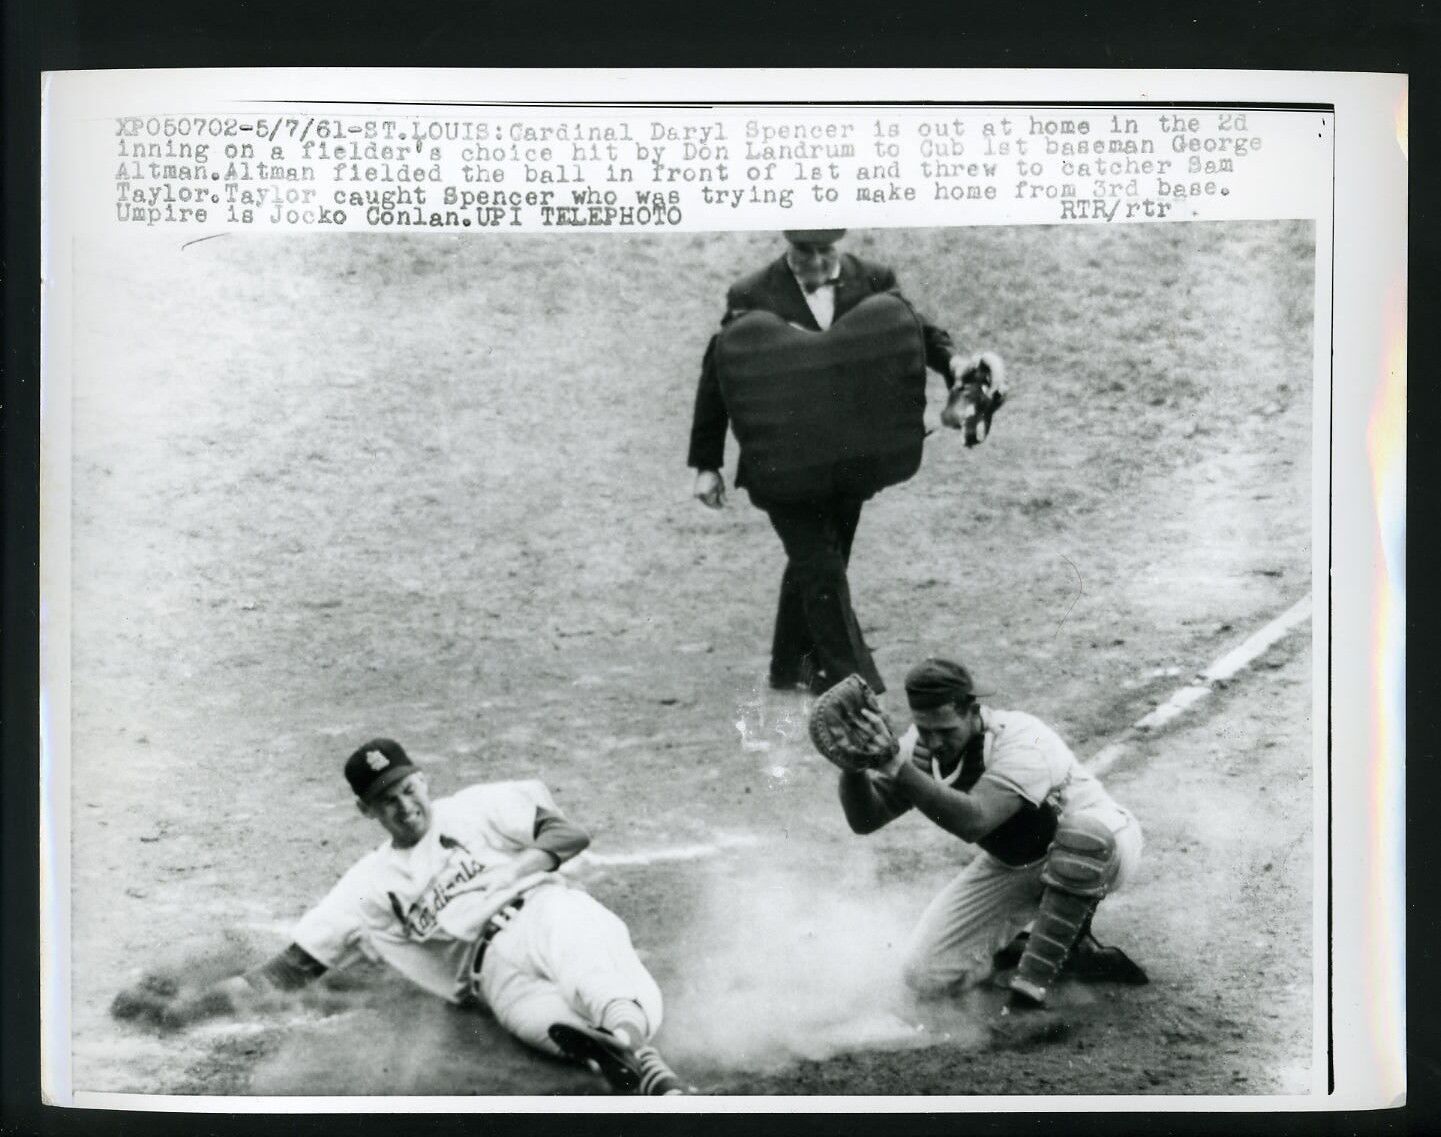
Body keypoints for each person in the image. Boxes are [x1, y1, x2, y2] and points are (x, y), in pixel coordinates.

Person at [111, 738, 689, 1096]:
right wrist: (186, 1012)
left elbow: (567, 833)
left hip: (543, 912)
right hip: (493, 981)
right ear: (367, 810)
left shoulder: (477, 809)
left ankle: (638, 1056)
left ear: (423, 779)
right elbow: (286, 973)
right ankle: (633, 1058)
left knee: (599, 977)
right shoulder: (365, 888)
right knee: (554, 1031)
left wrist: (521, 871)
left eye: (409, 788)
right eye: (387, 799)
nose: (406, 805)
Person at [688, 229, 991, 696]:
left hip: (851, 455)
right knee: (820, 563)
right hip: (780, 461)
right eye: (803, 252)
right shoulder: (751, 291)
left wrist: (953, 364)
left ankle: (789, 666)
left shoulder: (872, 279)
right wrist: (706, 462)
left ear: (840, 244)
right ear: (788, 246)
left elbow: (913, 331)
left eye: (824, 250)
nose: (815, 261)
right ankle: (853, 679)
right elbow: (721, 372)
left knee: (820, 562)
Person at [836, 658, 1148, 1030]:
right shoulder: (917, 748)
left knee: (1082, 838)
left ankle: (1027, 1003)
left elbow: (975, 820)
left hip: (1105, 843)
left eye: (946, 730)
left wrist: (898, 769)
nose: (935, 742)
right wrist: (853, 767)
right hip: (1019, 862)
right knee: (924, 975)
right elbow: (865, 819)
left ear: (972, 710)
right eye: (925, 729)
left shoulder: (1021, 739)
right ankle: (1064, 950)